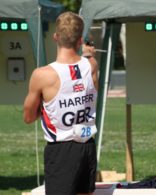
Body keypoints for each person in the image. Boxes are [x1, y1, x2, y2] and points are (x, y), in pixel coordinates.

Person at [23, 11, 98, 195]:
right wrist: (89, 53)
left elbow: (28, 117)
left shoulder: (42, 74)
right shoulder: (92, 65)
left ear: (56, 37)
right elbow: (87, 60)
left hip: (61, 149)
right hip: (87, 145)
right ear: (80, 40)